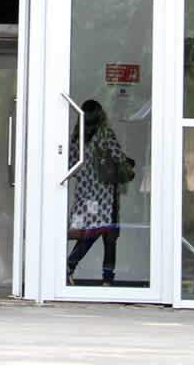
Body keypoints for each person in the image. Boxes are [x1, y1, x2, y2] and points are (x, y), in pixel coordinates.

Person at [66, 99, 132, 286]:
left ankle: (71, 266)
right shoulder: (105, 134)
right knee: (107, 234)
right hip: (105, 194)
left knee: (92, 231)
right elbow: (118, 157)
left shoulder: (76, 138)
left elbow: (71, 165)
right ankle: (106, 279)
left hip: (85, 194)